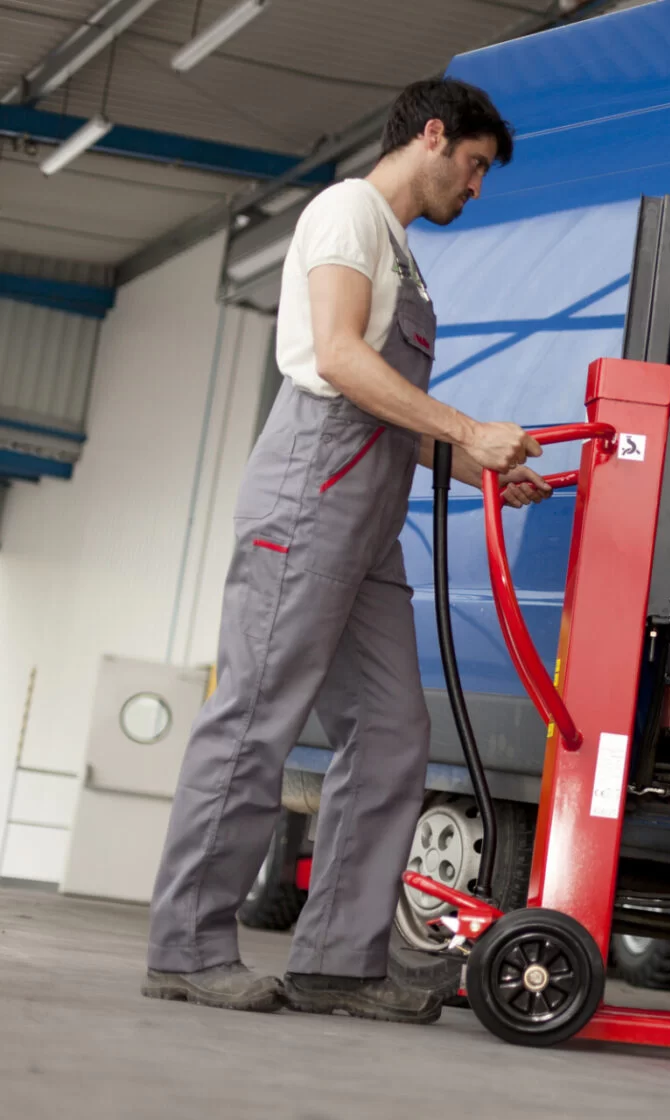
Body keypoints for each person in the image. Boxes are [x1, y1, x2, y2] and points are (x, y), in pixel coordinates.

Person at [144, 79, 551, 1024]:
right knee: (256, 717)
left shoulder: (401, 256)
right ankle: (187, 947)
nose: (477, 188)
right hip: (311, 490)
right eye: (477, 166)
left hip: (368, 511)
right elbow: (338, 359)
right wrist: (467, 424)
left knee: (397, 732)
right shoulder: (347, 212)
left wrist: (476, 462)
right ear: (435, 136)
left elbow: (392, 416)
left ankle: (336, 959)